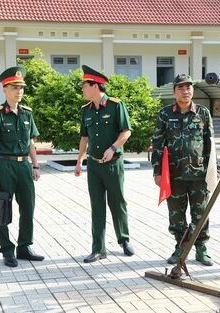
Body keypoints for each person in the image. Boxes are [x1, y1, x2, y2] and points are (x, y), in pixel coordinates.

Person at [151, 74, 217, 266]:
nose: (185, 91)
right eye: (181, 88)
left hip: (199, 174)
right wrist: (157, 172)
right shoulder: (165, 114)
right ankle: (180, 246)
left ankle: (201, 248)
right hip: (174, 175)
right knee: (176, 216)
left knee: (201, 214)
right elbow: (157, 143)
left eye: (188, 87)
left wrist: (215, 170)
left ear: (192, 91)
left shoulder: (203, 113)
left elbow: (210, 143)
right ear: (174, 91)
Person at [74, 65, 135, 263]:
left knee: (117, 203)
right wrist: (79, 160)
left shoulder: (116, 105)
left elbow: (126, 131)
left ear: (95, 86)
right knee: (97, 206)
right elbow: (84, 137)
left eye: (84, 86)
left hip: (113, 164)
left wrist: (113, 148)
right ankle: (98, 248)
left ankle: (124, 240)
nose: (82, 89)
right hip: (94, 166)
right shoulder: (86, 111)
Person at [0, 66, 44, 267]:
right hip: (5, 166)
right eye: (14, 87)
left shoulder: (27, 113)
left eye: (21, 87)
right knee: (3, 210)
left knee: (28, 208)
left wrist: (35, 166)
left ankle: (24, 247)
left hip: (24, 167)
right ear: (5, 89)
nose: (19, 91)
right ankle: (7, 250)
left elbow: (30, 143)